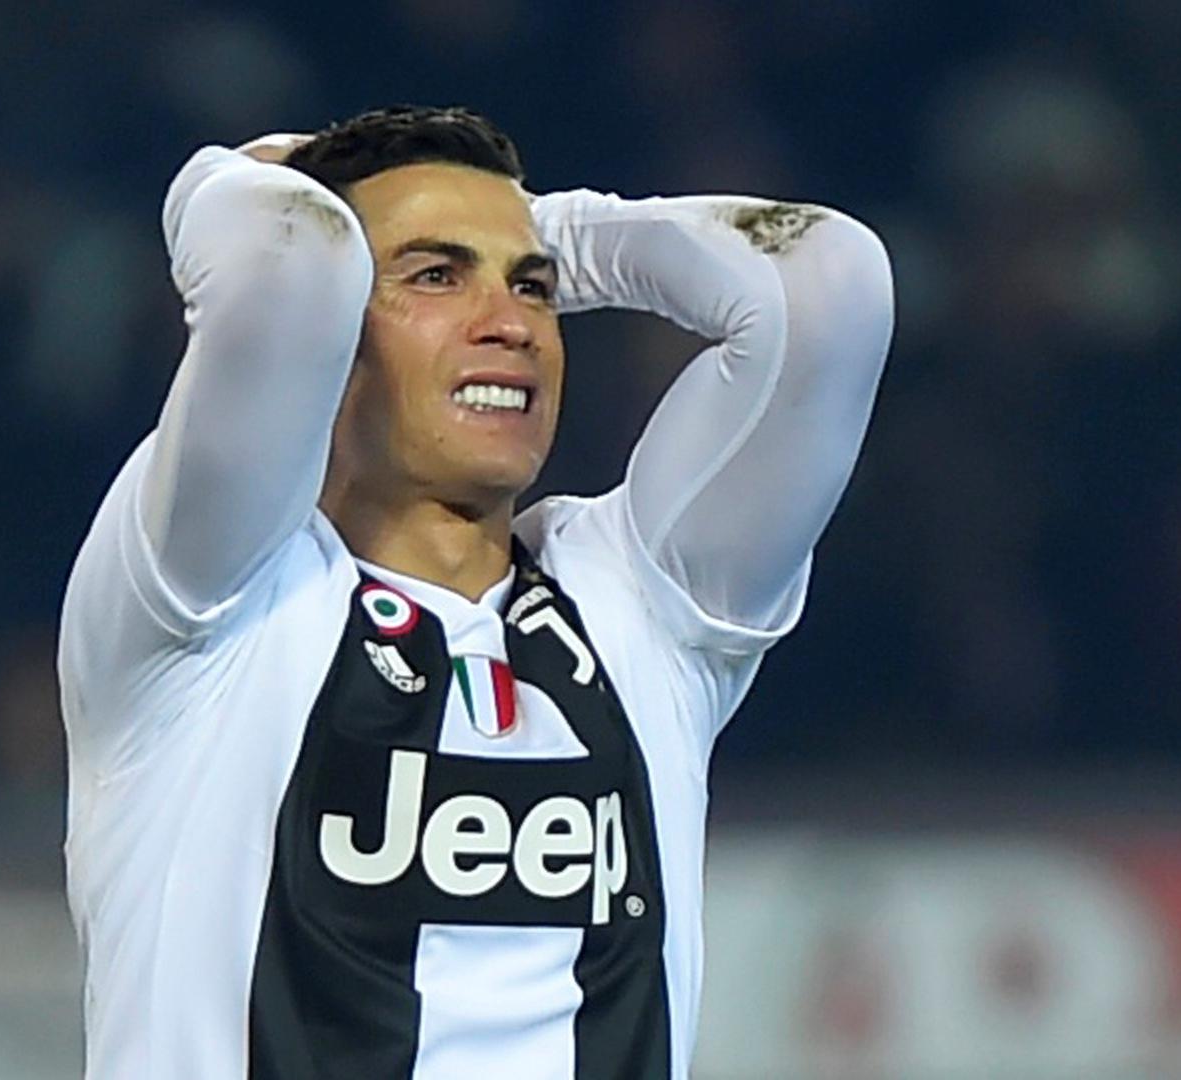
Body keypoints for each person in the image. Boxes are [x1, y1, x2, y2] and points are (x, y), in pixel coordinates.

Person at [58, 105, 893, 1079]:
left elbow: (823, 284)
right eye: (434, 276)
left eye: (531, 287)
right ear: (333, 326)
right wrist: (226, 173)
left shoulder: (637, 614)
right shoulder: (205, 598)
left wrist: (562, 235)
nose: (510, 325)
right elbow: (281, 257)